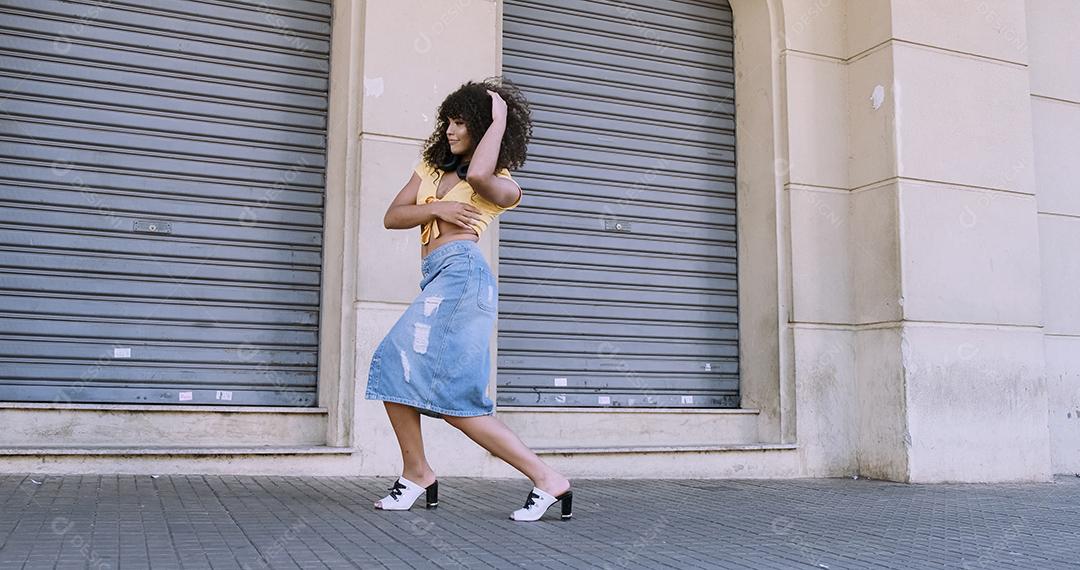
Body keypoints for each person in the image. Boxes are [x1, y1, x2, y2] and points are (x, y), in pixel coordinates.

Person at [364, 78, 572, 522]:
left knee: (441, 391)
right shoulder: (430, 167)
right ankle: (419, 472)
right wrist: (436, 208)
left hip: (463, 279)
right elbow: (392, 216)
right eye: (449, 121)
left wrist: (498, 119)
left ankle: (544, 478)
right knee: (395, 371)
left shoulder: (501, 185)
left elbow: (478, 174)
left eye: (461, 122)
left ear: (481, 128)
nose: (450, 130)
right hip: (437, 278)